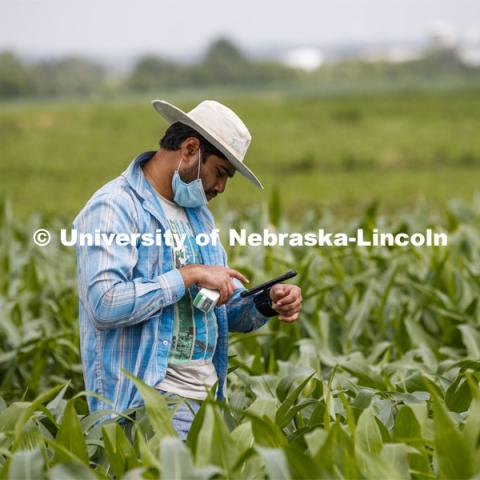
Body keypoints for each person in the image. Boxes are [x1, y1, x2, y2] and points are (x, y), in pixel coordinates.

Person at [72, 99, 303, 440]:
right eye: (221, 172)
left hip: (207, 398)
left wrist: (266, 301)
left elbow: (210, 309)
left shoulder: (197, 215)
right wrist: (188, 275)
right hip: (150, 403)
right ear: (190, 149)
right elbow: (104, 304)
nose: (221, 187)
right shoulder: (114, 207)